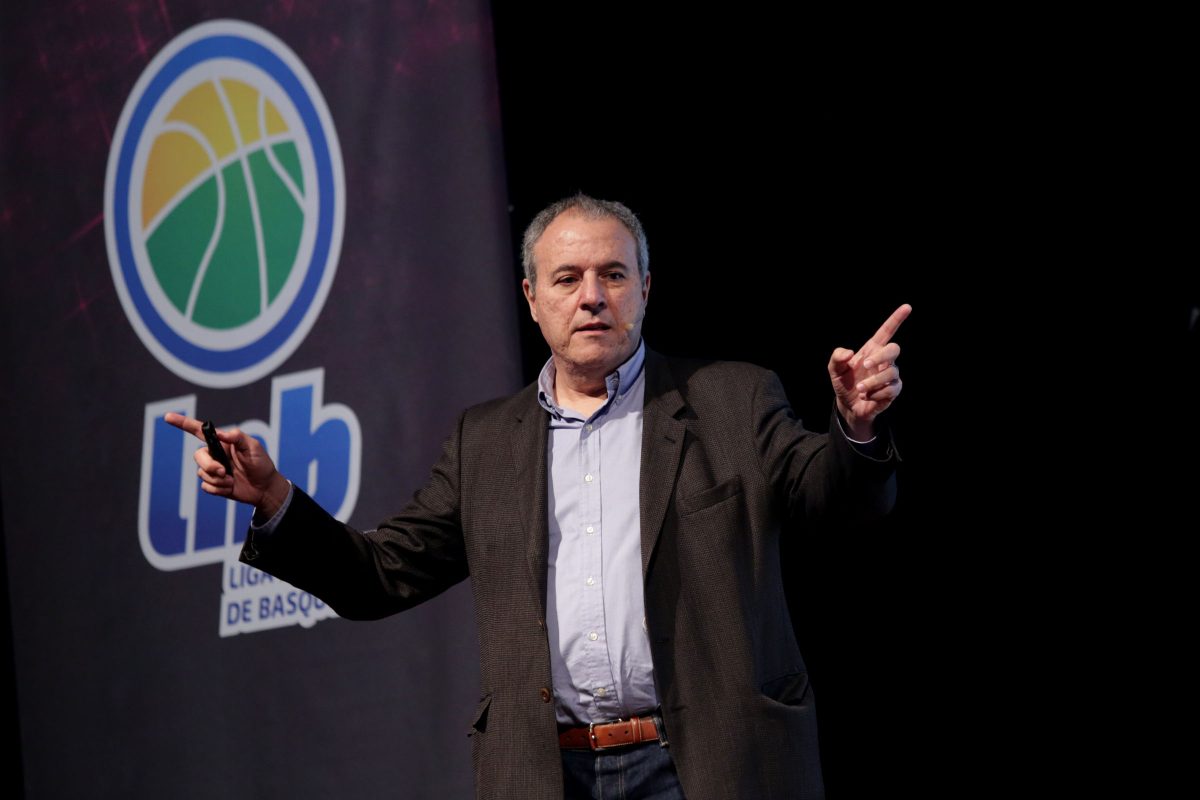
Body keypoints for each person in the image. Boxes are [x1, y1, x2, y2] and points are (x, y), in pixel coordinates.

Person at [167, 194, 908, 800]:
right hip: (548, 774)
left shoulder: (730, 399)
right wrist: (275, 499)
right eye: (567, 278)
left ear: (645, 288)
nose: (592, 297)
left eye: (613, 275)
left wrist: (855, 427)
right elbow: (377, 576)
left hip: (709, 767)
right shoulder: (486, 441)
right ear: (531, 297)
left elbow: (835, 501)